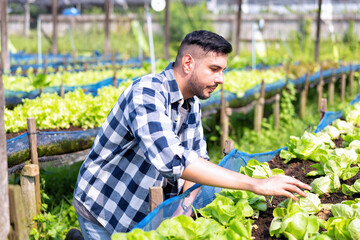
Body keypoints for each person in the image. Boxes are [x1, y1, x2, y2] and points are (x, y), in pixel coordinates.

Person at [73, 30, 311, 239]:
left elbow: (196, 161)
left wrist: (182, 217)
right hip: (105, 207)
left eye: (223, 70)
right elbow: (172, 160)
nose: (221, 79)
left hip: (142, 213)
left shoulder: (191, 103)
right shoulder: (146, 93)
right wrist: (255, 184)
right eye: (214, 69)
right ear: (188, 63)